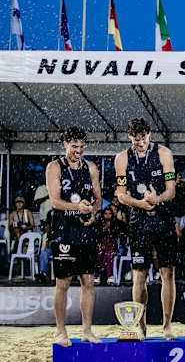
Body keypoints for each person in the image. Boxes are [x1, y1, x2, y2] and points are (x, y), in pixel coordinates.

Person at [114, 117, 177, 340]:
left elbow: (172, 191)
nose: (139, 143)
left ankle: (167, 325)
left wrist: (156, 199)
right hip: (138, 221)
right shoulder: (122, 158)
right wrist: (140, 203)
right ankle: (140, 326)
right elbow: (121, 195)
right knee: (139, 275)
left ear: (149, 134)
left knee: (167, 274)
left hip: (163, 220)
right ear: (129, 137)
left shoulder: (164, 154)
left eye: (143, 138)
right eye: (135, 139)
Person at [45, 127, 102, 346]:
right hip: (64, 231)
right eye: (74, 146)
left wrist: (93, 213)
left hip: (86, 231)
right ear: (65, 144)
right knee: (63, 283)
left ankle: (87, 330)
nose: (78, 151)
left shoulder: (91, 168)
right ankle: (61, 331)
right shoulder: (54, 167)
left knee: (88, 282)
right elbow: (55, 202)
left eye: (81, 146)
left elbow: (98, 199)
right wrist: (78, 208)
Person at [96, 207, 121, 285]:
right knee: (98, 254)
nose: (107, 215)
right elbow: (97, 236)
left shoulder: (115, 223)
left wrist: (110, 230)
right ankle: (97, 276)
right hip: (101, 245)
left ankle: (110, 276)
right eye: (106, 214)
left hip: (112, 246)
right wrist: (104, 229)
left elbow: (117, 236)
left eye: (109, 213)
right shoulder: (99, 224)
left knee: (109, 255)